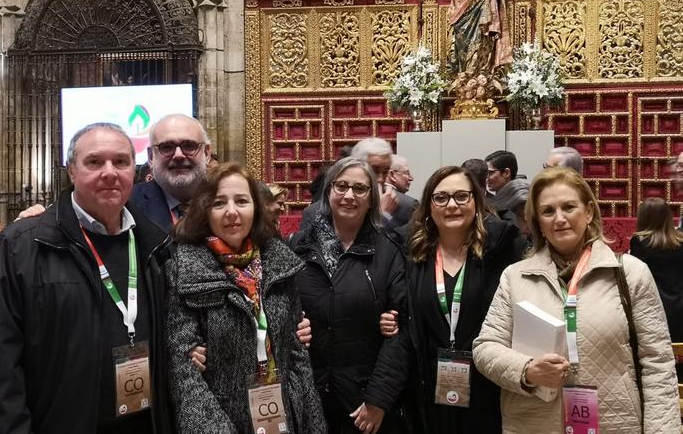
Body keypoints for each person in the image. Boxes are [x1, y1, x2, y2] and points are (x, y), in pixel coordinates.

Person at [0, 123, 174, 434]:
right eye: (94, 162)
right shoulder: (19, 247)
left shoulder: (156, 245)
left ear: (135, 170)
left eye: (121, 161)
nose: (110, 172)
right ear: (72, 170)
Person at [473, 167, 679, 434]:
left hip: (614, 423)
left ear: (589, 212)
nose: (559, 219)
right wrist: (527, 370)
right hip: (534, 424)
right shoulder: (515, 277)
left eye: (569, 207)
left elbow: (658, 362)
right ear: (538, 223)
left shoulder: (630, 273)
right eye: (548, 211)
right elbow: (486, 348)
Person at [166, 163, 325, 433]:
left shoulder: (279, 262)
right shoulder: (184, 269)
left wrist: (311, 421)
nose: (232, 212)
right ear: (205, 210)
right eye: (219, 203)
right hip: (221, 416)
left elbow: (297, 355)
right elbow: (185, 371)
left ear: (256, 208)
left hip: (281, 414)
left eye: (241, 201)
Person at [401, 166, 525, 433]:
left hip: (487, 384)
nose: (451, 205)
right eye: (441, 197)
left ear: (476, 202)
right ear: (429, 206)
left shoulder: (503, 250)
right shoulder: (411, 253)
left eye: (461, 196)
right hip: (427, 384)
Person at [290, 157, 410, 433]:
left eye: (360, 188)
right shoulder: (299, 247)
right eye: (341, 186)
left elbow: (402, 330)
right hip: (308, 392)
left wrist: (379, 399)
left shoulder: (389, 251)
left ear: (371, 199)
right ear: (329, 191)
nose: (349, 195)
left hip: (363, 399)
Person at [131, 114, 212, 230]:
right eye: (167, 147)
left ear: (206, 153)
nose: (178, 155)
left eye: (189, 146)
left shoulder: (227, 200)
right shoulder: (128, 204)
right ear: (151, 156)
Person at [630, 197, 683, 345]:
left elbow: (635, 276)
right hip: (679, 307)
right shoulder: (680, 242)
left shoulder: (639, 242)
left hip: (652, 310)